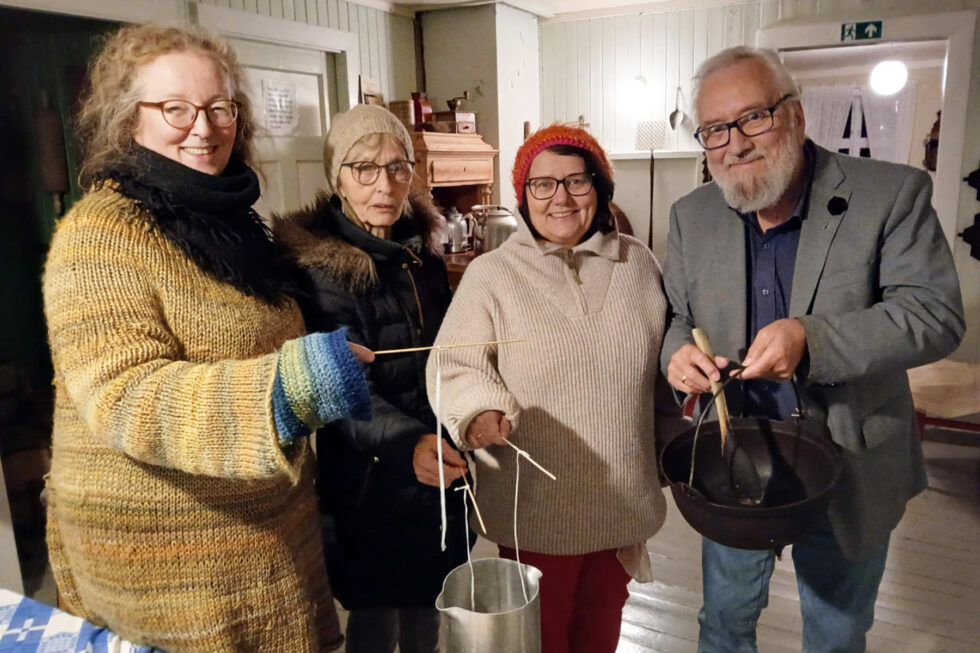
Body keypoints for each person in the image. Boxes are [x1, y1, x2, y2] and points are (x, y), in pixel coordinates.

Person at [42, 24, 374, 652]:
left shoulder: (231, 222)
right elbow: (125, 395)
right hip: (172, 573)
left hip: (265, 543)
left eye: (220, 107)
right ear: (129, 119)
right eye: (176, 108)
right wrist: (293, 385)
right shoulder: (100, 236)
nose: (204, 127)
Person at [661, 46, 964, 653]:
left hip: (849, 461)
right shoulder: (691, 216)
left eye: (753, 117)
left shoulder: (891, 193)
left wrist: (811, 339)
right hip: (734, 457)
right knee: (723, 624)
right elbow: (676, 317)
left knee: (835, 633)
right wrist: (677, 354)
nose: (735, 144)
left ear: (795, 116)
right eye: (715, 129)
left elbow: (935, 315)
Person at [427, 124, 675, 653]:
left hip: (621, 503)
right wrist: (478, 411)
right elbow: (454, 365)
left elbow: (666, 368)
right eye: (542, 184)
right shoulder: (492, 274)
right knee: (541, 640)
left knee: (600, 634)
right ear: (524, 195)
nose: (560, 197)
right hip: (536, 508)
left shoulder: (638, 264)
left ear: (600, 187)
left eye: (576, 180)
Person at [273, 104, 471, 653]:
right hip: (369, 482)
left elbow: (451, 357)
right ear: (336, 178)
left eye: (397, 167)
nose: (384, 184)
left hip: (438, 466)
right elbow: (337, 391)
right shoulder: (317, 271)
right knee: (375, 624)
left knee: (431, 609)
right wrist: (408, 441)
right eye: (363, 168)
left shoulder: (423, 256)